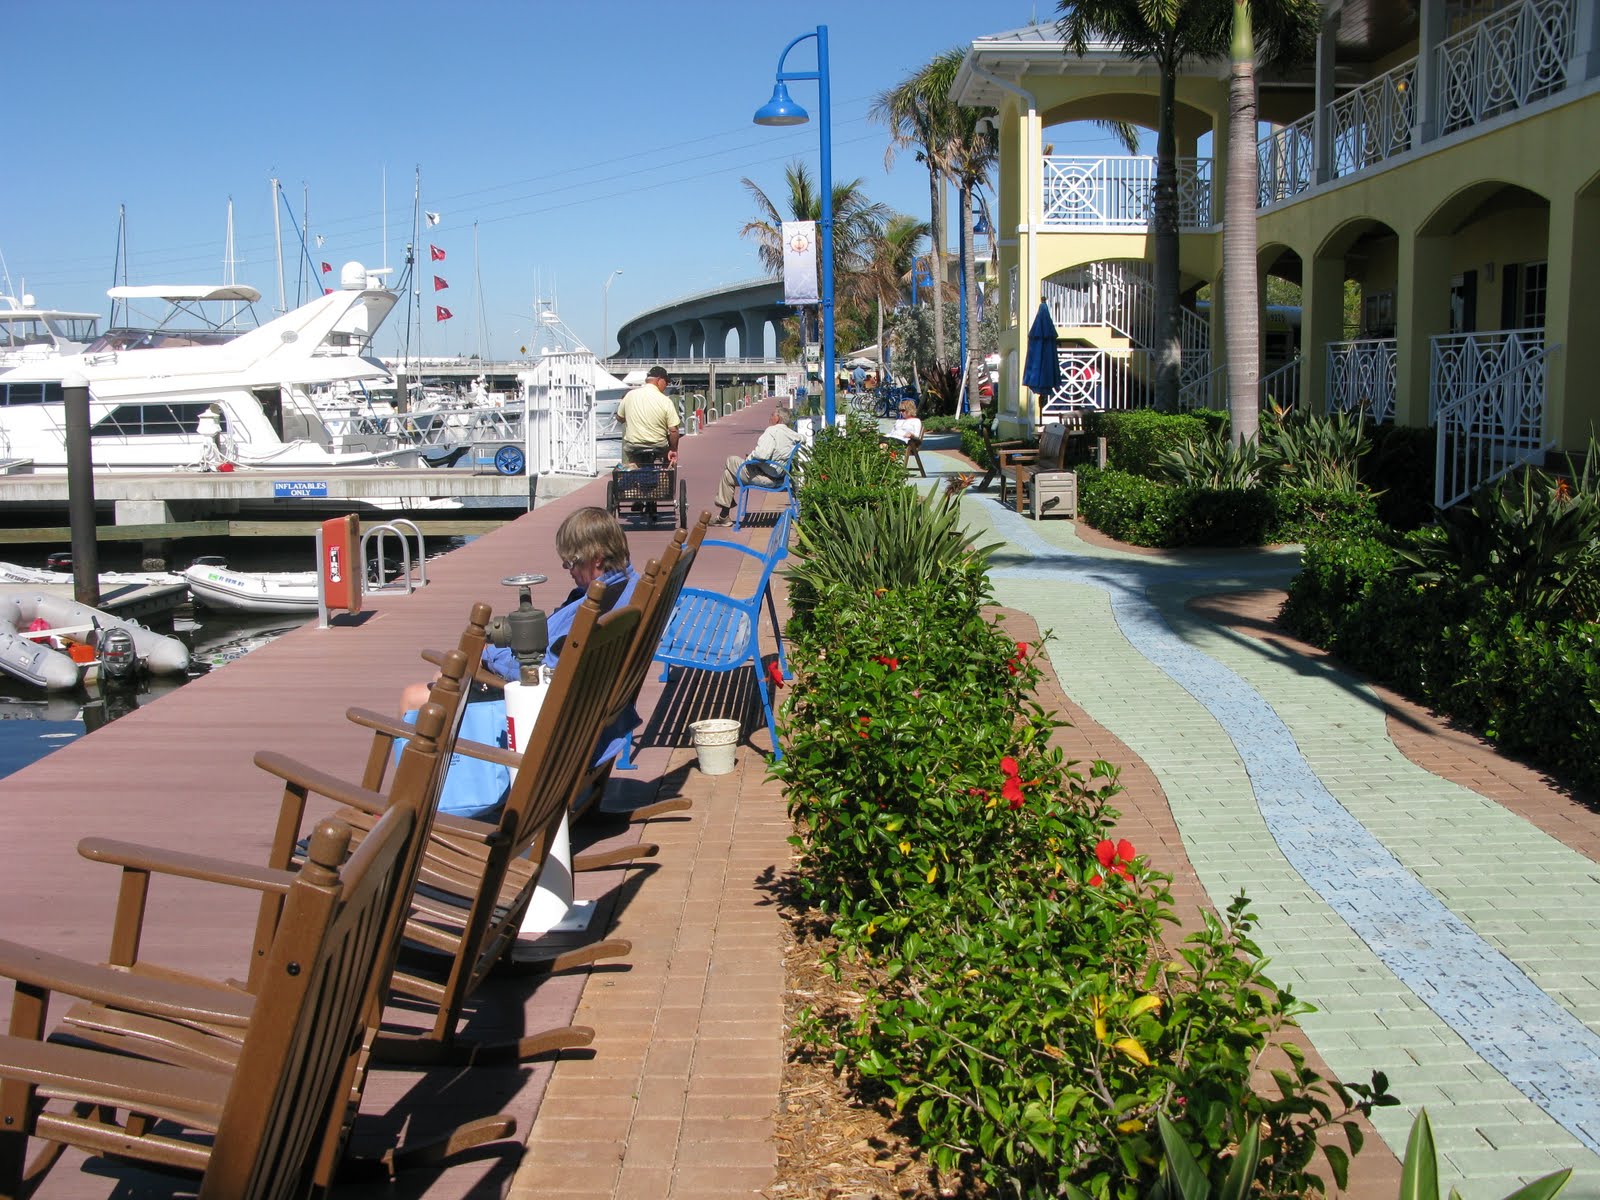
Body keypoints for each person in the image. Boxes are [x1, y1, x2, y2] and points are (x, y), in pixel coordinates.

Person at [711, 403, 805, 526]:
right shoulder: (793, 435)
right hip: (779, 476)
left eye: (772, 415)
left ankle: (723, 512)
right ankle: (723, 516)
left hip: (767, 477)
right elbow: (801, 439)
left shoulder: (772, 431)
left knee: (731, 460)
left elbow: (762, 455)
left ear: (777, 419)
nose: (770, 418)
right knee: (728, 475)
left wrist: (749, 458)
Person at [616, 365, 681, 466]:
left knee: (632, 460)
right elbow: (673, 431)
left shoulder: (630, 395)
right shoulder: (665, 401)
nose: (667, 385)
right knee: (667, 456)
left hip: (633, 445)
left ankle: (633, 474)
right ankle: (664, 476)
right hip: (658, 445)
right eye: (666, 382)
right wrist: (673, 449)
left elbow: (619, 418)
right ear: (659, 380)